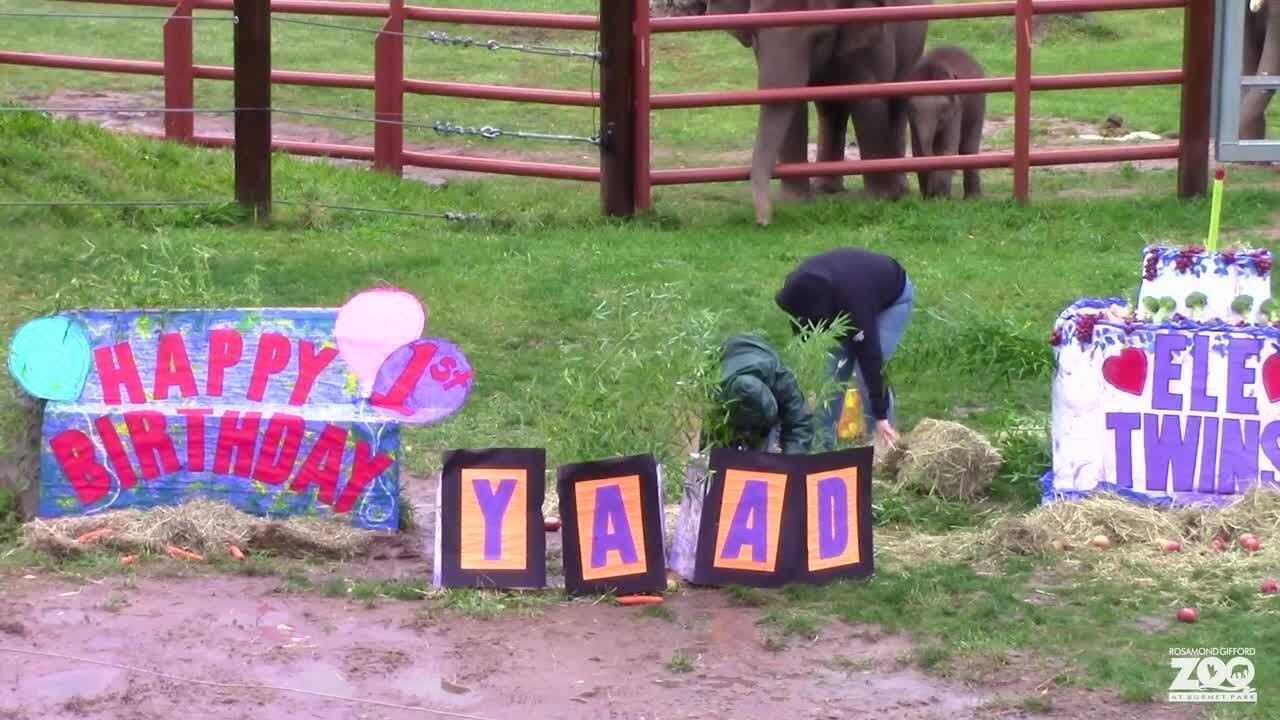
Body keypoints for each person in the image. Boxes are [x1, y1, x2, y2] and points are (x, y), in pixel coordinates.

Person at [774, 247, 914, 449]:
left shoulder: (855, 304)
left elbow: (871, 359)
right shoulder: (796, 290)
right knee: (830, 374)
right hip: (845, 291)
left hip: (891, 297)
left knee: (864, 372)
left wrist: (880, 415)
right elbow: (803, 331)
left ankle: (883, 443)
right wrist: (811, 383)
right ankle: (821, 445)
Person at [702, 333, 813, 455]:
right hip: (726, 367)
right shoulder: (714, 392)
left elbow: (799, 424)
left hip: (759, 357)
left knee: (761, 456)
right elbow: (706, 438)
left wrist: (793, 464)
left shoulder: (782, 380)